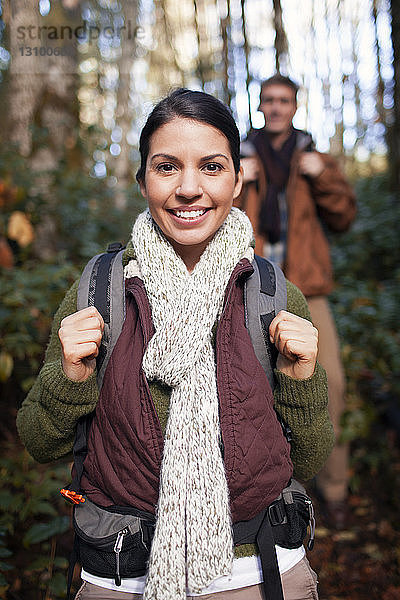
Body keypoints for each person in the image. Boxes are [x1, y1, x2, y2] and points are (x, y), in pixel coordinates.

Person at [17, 88, 334, 600]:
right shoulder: (102, 290)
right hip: (124, 573)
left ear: (237, 179)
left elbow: (309, 459)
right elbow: (40, 440)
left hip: (259, 572)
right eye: (167, 167)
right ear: (143, 181)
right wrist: (71, 378)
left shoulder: (273, 294)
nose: (190, 188)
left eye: (211, 167)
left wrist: (300, 380)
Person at [237, 74, 356, 529]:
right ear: (261, 105)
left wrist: (322, 175)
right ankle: (264, 494)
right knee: (253, 387)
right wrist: (236, 182)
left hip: (308, 288)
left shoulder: (314, 157)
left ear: (295, 106)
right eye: (269, 100)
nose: (276, 107)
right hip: (251, 286)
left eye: (284, 100)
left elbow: (344, 215)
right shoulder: (239, 156)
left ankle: (335, 488)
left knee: (332, 384)